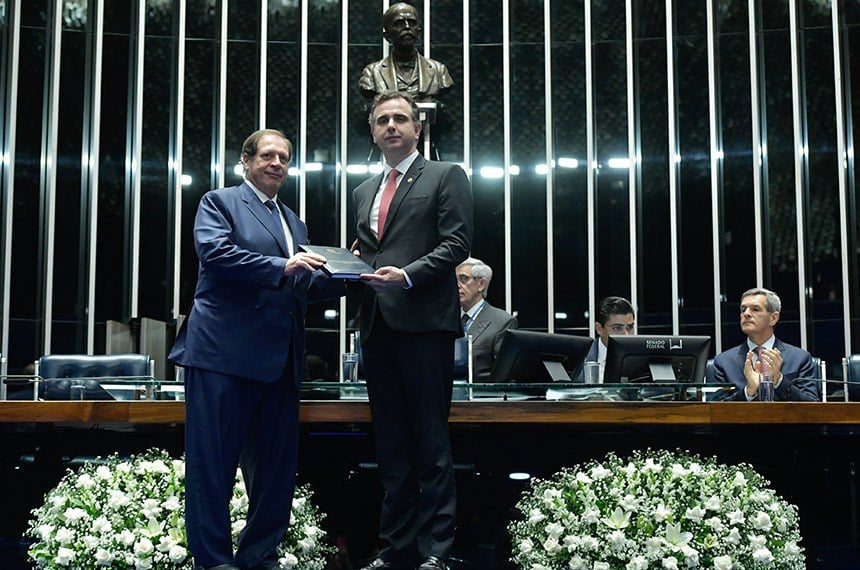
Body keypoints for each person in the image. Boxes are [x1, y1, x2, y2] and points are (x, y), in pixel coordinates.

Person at [169, 129, 344, 570]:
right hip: (222, 356)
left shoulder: (294, 222)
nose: (277, 164)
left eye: (284, 158)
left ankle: (257, 556)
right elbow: (216, 254)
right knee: (214, 468)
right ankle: (214, 561)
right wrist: (282, 265)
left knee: (274, 474)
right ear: (246, 161)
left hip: (281, 362)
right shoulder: (220, 202)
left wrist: (347, 275)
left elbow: (299, 284)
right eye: (268, 155)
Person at [353, 91, 473, 570]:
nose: (392, 126)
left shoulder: (446, 175)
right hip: (377, 325)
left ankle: (436, 551)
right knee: (391, 447)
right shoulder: (363, 190)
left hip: (424, 326)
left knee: (430, 444)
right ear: (373, 131)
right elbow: (369, 251)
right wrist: (349, 263)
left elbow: (458, 242)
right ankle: (394, 547)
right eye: (382, 119)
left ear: (418, 128)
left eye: (401, 118)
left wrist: (406, 274)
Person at [712, 287, 819, 401]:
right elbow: (713, 411)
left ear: (773, 318)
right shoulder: (723, 362)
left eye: (755, 309)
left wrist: (779, 380)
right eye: (743, 309)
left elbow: (812, 407)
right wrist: (748, 392)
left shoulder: (800, 358)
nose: (746, 314)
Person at [358, 3, 453, 103]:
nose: (407, 27)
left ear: (418, 32)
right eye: (399, 23)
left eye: (412, 23)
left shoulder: (439, 71)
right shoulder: (372, 73)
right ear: (387, 36)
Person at [456, 257, 517, 381]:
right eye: (454, 280)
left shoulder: (502, 322)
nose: (457, 285)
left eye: (463, 279)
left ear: (481, 284)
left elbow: (504, 376)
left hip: (483, 397)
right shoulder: (448, 320)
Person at [575, 296, 636, 383]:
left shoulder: (641, 358)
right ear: (599, 328)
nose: (626, 334)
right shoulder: (581, 357)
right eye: (617, 328)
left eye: (630, 327)